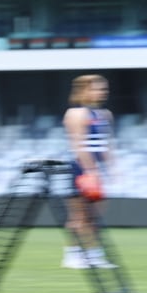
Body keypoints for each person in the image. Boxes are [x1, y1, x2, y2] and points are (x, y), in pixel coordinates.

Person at [61, 74, 116, 269]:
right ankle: (74, 254)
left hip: (96, 171)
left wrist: (111, 168)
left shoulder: (105, 114)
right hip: (80, 170)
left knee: (95, 216)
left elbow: (106, 145)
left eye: (103, 88)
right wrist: (90, 171)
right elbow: (79, 146)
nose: (102, 92)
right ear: (84, 90)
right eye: (97, 88)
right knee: (80, 216)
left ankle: (92, 254)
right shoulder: (75, 113)